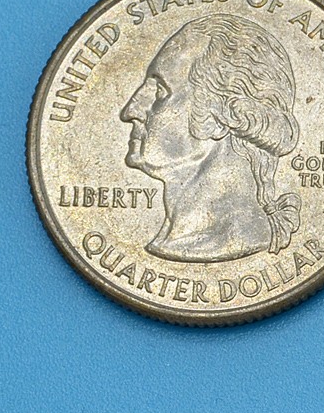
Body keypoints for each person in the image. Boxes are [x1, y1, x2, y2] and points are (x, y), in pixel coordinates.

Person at [120, 14, 301, 262]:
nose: (130, 111)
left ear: (222, 116)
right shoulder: (177, 239)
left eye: (160, 91)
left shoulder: (236, 238)